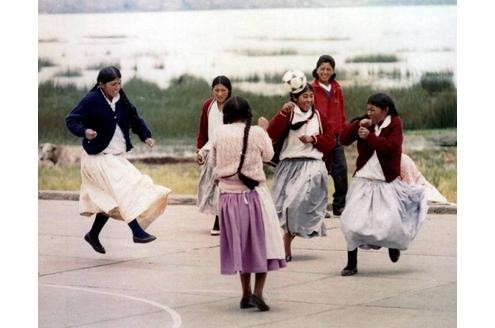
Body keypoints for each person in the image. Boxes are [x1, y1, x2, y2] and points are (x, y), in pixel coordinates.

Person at [65, 66, 171, 254]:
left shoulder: (122, 99)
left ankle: (93, 234)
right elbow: (71, 119)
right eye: (113, 84)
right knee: (122, 190)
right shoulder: (92, 100)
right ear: (101, 84)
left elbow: (135, 118)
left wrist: (145, 135)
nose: (117, 87)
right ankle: (137, 232)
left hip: (115, 157)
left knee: (111, 198)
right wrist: (84, 132)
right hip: (97, 158)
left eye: (119, 83)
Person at [339, 92, 428, 276]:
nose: (369, 112)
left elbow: (391, 148)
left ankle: (393, 245)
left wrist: (369, 137)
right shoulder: (365, 121)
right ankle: (351, 263)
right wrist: (358, 125)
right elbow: (343, 139)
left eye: (373, 110)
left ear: (385, 110)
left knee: (390, 222)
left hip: (386, 181)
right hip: (363, 179)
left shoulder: (395, 123)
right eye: (367, 109)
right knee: (351, 223)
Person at [210, 96, 286, 311]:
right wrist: (264, 130)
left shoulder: (219, 133)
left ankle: (245, 294)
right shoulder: (257, 132)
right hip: (253, 195)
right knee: (264, 243)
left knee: (241, 245)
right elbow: (270, 156)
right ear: (248, 114)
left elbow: (214, 162)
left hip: (226, 197)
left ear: (227, 115)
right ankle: (258, 293)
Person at [268, 72, 336, 262]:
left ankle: (287, 241)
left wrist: (313, 139)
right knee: (281, 208)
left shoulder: (319, 117)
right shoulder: (288, 114)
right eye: (304, 96)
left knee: (294, 204)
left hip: (312, 165)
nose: (308, 100)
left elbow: (330, 141)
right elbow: (271, 133)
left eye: (310, 96)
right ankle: (284, 242)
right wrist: (282, 113)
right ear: (295, 98)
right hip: (289, 165)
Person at [311, 55, 348, 217]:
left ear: (333, 71)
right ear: (317, 70)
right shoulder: (311, 88)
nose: (325, 72)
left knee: (341, 170)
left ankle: (339, 205)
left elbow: (341, 112)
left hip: (336, 137)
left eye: (328, 69)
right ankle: (320, 207)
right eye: (322, 69)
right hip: (320, 138)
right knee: (320, 172)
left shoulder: (337, 88)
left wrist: (344, 130)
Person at [196, 75, 232, 235]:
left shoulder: (233, 106)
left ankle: (218, 221)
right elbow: (203, 130)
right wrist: (199, 150)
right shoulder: (207, 106)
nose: (219, 94)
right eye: (216, 90)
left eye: (223, 90)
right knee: (210, 186)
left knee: (223, 186)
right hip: (210, 150)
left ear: (229, 91)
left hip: (227, 150)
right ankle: (221, 217)